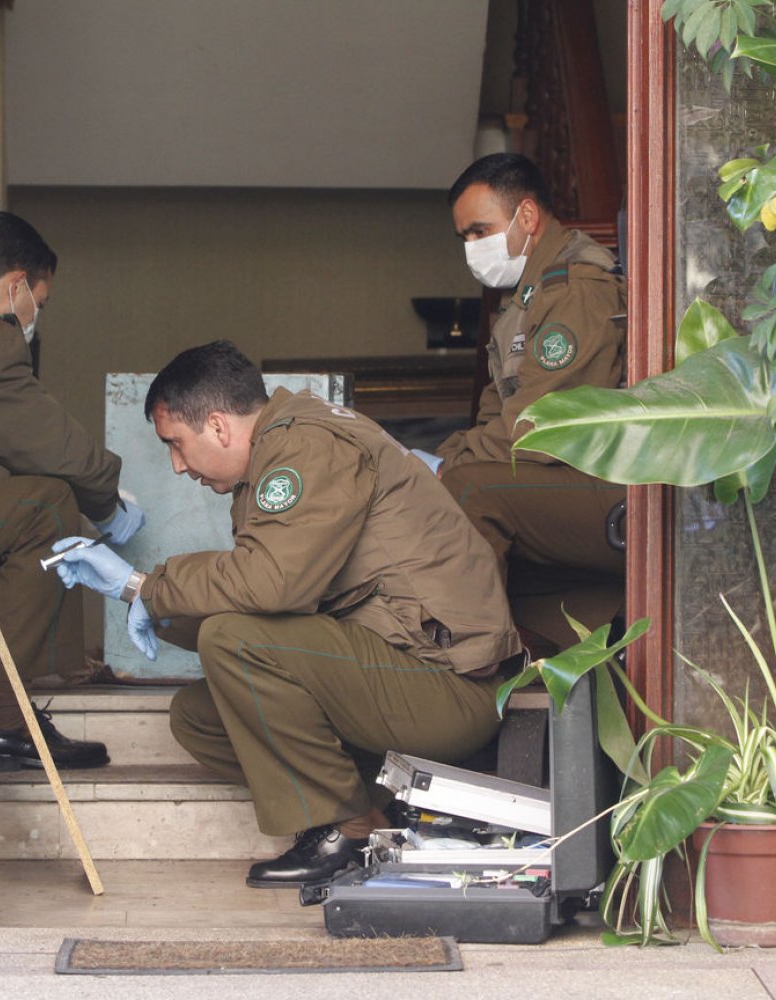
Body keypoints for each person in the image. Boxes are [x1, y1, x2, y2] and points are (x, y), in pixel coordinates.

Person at [50, 340, 523, 889]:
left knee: (235, 639)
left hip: (449, 687)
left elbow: (273, 585)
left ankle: (348, 830)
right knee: (201, 717)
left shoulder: (307, 444)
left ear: (220, 427)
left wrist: (146, 586)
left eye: (176, 445)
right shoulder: (281, 449)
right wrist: (146, 600)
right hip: (395, 670)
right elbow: (275, 600)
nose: (177, 466)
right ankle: (381, 811)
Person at [413, 153, 627, 651]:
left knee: (470, 491)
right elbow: (492, 415)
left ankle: (468, 660)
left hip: (611, 485)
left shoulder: (575, 290)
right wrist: (437, 462)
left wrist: (448, 467)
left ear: (526, 217)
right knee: (452, 494)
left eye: (479, 231)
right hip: (568, 483)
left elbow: (539, 431)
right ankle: (547, 642)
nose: (472, 248)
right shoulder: (523, 301)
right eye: (464, 237)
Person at [0, 211, 145, 771]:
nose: (33, 318)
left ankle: (8, 704)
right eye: (38, 305)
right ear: (17, 284)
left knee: (35, 501)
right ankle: (3, 716)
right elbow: (47, 441)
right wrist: (109, 505)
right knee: (48, 504)